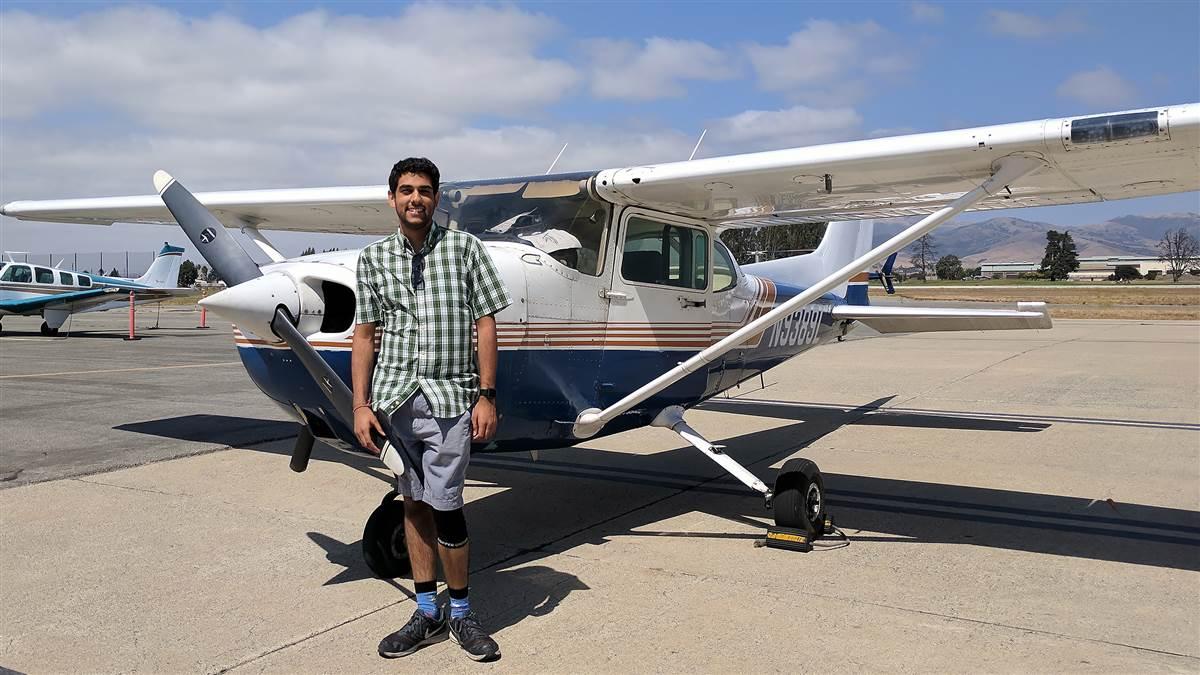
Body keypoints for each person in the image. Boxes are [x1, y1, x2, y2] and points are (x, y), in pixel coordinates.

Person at [352, 157, 511, 662]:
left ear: (437, 198)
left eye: (423, 190)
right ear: (392, 198)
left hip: (450, 399)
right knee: (414, 504)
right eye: (405, 190)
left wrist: (486, 394)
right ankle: (427, 611)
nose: (414, 198)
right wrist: (360, 404)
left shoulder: (466, 250)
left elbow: (486, 323)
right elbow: (365, 334)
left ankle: (461, 614)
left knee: (446, 505)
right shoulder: (373, 259)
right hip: (395, 399)